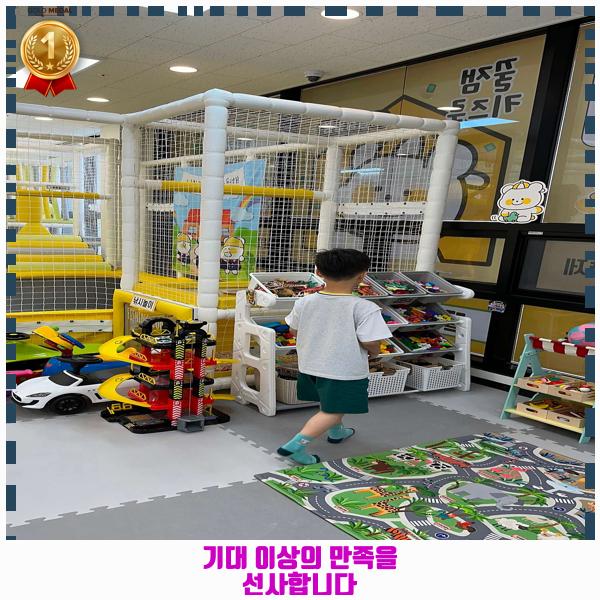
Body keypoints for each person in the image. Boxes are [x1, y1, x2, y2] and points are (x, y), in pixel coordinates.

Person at [277, 248, 391, 465]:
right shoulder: (365, 308)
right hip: (343, 369)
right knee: (335, 409)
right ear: (362, 276)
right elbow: (370, 342)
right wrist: (375, 353)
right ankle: (295, 446)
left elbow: (294, 330)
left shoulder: (304, 302)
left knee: (329, 401)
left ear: (318, 272)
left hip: (310, 364)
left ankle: (337, 431)